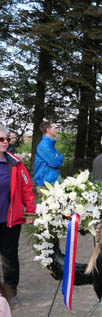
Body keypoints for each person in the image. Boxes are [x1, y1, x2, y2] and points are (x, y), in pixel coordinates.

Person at [0, 125, 36, 309]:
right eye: (1, 139)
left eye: (6, 139)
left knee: (10, 257)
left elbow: (27, 189)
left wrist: (30, 211)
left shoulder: (16, 163)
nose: (6, 142)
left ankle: (10, 292)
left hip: (9, 220)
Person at [33, 121, 64, 187]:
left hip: (53, 180)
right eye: (55, 127)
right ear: (48, 130)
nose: (57, 129)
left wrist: (57, 158)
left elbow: (61, 158)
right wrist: (57, 158)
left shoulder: (50, 145)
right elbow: (56, 163)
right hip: (45, 183)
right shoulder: (44, 145)